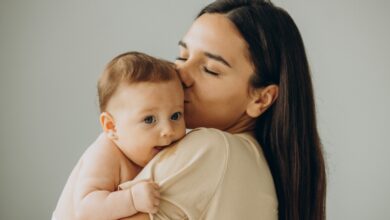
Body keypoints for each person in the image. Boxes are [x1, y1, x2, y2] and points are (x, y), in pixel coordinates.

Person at [118, 1, 327, 220]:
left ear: (261, 99)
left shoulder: (213, 150)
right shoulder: (255, 166)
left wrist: (113, 138)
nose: (181, 75)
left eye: (210, 70)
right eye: (182, 56)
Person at [53, 51, 186, 220]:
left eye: (175, 116)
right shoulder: (106, 153)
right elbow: (85, 210)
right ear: (111, 127)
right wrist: (131, 199)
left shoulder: (154, 152)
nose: (168, 130)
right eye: (149, 119)